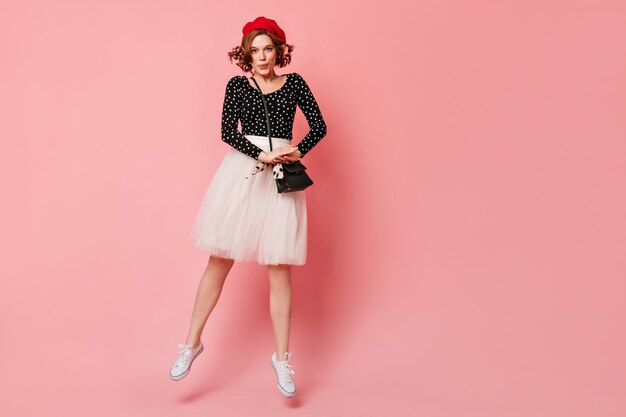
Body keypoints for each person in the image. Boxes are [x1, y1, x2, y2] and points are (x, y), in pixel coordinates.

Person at [169, 16, 327, 399]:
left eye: (267, 48)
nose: (260, 57)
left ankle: (281, 358)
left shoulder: (295, 84)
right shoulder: (238, 85)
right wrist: (263, 154)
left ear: (278, 50)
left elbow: (319, 125)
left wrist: (294, 151)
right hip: (244, 172)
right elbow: (227, 131)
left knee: (279, 266)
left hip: (281, 176)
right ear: (246, 54)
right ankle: (191, 343)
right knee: (219, 258)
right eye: (253, 51)